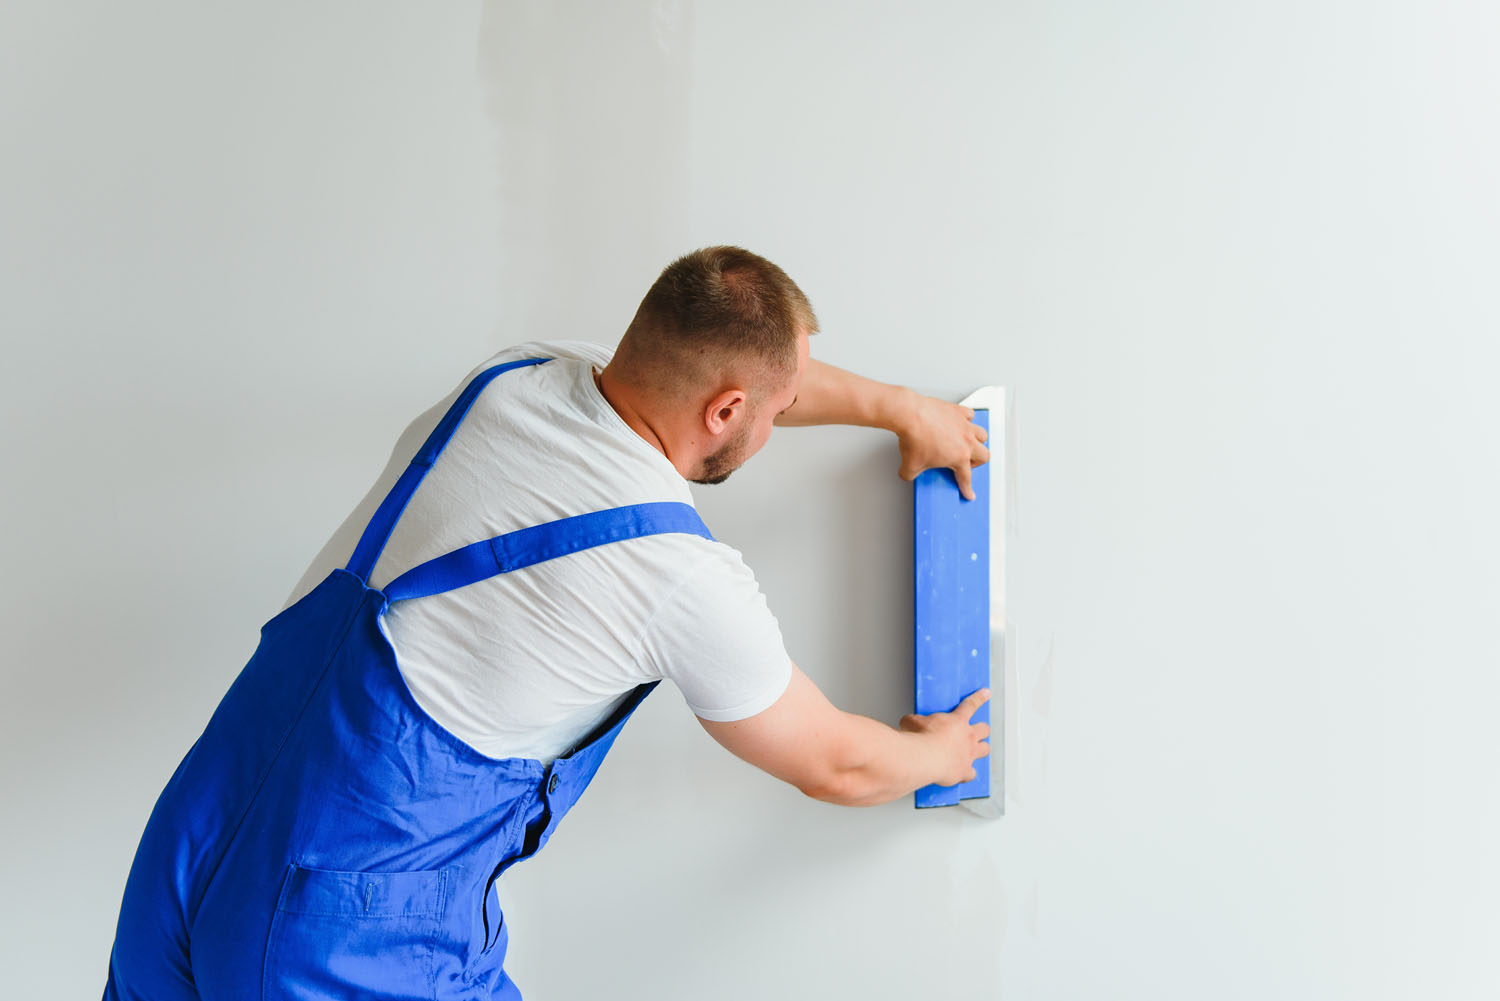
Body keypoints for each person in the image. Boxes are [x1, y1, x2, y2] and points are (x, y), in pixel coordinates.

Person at [103, 246, 992, 1001]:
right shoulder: (677, 574)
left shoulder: (520, 375)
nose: (778, 422)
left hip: (191, 851)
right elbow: (835, 761)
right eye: (775, 410)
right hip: (343, 933)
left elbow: (748, 374)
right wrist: (945, 754)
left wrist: (902, 407)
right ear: (726, 410)